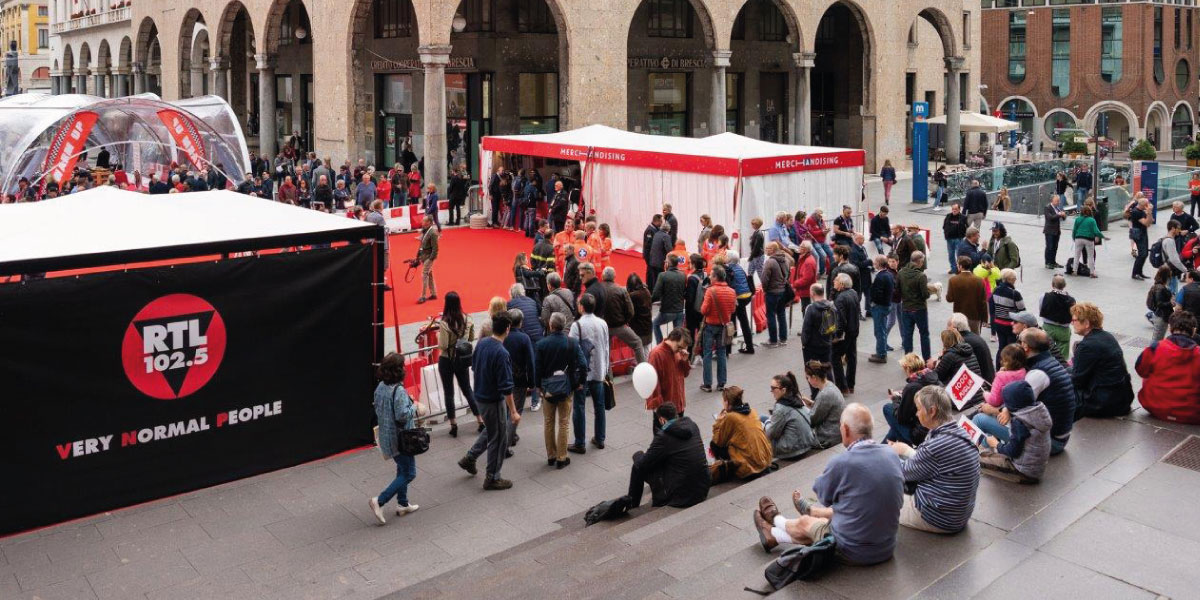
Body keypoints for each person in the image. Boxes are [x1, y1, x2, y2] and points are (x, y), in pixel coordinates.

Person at [752, 403, 903, 566]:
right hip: (886, 547)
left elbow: (824, 496)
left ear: (845, 429)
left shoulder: (842, 462)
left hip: (855, 550)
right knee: (840, 513)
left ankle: (776, 521)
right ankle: (774, 536)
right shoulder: (891, 453)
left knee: (806, 523)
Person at [886, 386, 979, 533]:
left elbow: (901, 473)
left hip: (938, 517)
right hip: (958, 513)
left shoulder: (935, 446)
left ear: (932, 411)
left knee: (878, 492)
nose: (916, 414)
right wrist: (905, 450)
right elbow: (931, 462)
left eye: (918, 409)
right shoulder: (959, 432)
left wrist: (888, 456)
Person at [457, 312, 521, 490]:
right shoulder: (501, 352)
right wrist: (514, 411)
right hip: (493, 400)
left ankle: (470, 457)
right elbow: (506, 387)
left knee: (493, 431)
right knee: (498, 438)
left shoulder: (482, 343)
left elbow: (475, 366)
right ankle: (492, 476)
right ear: (508, 329)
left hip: (481, 396)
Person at [369, 352, 422, 523]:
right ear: (398, 370)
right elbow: (402, 415)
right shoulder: (398, 390)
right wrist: (415, 407)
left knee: (402, 468)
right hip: (402, 439)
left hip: (386, 436)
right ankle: (380, 500)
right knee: (409, 473)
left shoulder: (380, 388)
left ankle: (402, 503)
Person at [625, 403, 710, 509]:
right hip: (702, 488)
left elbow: (643, 463)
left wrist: (638, 455)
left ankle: (632, 505)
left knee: (637, 464)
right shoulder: (692, 425)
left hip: (681, 496)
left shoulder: (663, 436)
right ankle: (632, 504)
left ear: (662, 420)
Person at [978, 375, 1053, 484]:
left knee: (977, 462)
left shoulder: (1020, 423)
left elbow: (1013, 451)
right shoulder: (1038, 411)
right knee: (987, 454)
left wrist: (996, 444)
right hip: (1035, 466)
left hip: (1023, 472)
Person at [535, 313, 585, 468]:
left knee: (548, 422)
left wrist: (538, 386)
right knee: (564, 422)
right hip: (566, 387)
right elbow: (583, 364)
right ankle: (562, 457)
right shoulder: (572, 342)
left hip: (548, 389)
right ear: (564, 325)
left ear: (550, 325)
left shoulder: (542, 344)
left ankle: (551, 455)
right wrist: (579, 383)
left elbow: (537, 368)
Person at [1070, 303, 1134, 419]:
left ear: (1086, 323)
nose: (1072, 323)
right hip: (1122, 398)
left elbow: (1077, 380)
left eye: (1074, 320)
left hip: (1102, 402)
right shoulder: (1107, 336)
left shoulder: (1087, 346)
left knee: (1057, 390)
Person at [1136, 311, 1200, 425]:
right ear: (1194, 331)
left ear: (1170, 328)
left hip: (1155, 406)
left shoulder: (1156, 348)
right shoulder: (1197, 353)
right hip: (1191, 413)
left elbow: (1141, 369)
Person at [567, 290, 610, 455]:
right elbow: (606, 347)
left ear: (582, 307)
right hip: (599, 369)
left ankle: (580, 442)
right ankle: (600, 438)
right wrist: (605, 368)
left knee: (579, 406)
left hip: (582, 373)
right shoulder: (602, 323)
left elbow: (571, 350)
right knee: (599, 406)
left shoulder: (576, 325)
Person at [438, 293, 482, 437]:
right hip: (462, 359)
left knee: (448, 392)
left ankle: (453, 424)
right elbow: (470, 337)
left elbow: (443, 345)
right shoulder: (468, 319)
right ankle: (480, 420)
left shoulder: (444, 323)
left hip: (447, 359)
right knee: (467, 389)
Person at [709, 387, 773, 483]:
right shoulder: (752, 411)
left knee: (714, 446)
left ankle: (727, 468)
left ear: (726, 402)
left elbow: (718, 441)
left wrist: (719, 420)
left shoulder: (731, 417)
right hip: (765, 460)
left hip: (751, 469)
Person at [972, 343, 1028, 439]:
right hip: (1015, 415)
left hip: (1008, 418)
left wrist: (985, 394)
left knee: (978, 417)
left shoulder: (1001, 376)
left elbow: (994, 400)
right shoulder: (1024, 372)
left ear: (1006, 361)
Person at [884, 353, 940, 445]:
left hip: (920, 434)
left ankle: (903, 447)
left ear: (908, 369)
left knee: (887, 408)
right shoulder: (933, 377)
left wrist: (895, 399)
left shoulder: (912, 387)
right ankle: (884, 446)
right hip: (935, 426)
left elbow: (901, 418)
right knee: (895, 428)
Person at [699, 266, 737, 392]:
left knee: (707, 354)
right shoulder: (732, 291)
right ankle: (721, 383)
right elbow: (732, 310)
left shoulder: (710, 291)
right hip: (724, 327)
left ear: (716, 277)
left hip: (710, 326)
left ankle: (707, 384)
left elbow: (704, 310)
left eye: (711, 275)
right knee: (721, 353)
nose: (709, 276)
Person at [764, 372, 818, 460]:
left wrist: (767, 422)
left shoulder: (781, 408)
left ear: (783, 390)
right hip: (807, 442)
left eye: (773, 388)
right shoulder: (796, 398)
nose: (771, 391)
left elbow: (771, 433)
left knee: (762, 422)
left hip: (792, 450)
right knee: (765, 418)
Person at [646, 327, 692, 427]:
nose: (681, 350)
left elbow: (685, 374)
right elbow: (653, 384)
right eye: (679, 347)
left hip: (678, 405)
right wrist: (660, 409)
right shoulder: (656, 354)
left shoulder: (678, 352)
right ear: (673, 339)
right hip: (665, 410)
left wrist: (684, 361)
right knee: (664, 440)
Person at [503, 309, 537, 444]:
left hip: (504, 377)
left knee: (506, 409)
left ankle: (509, 434)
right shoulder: (524, 338)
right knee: (516, 410)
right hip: (519, 378)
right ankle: (508, 438)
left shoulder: (503, 336)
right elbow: (530, 361)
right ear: (521, 322)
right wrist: (532, 381)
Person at [931, 328, 986, 405]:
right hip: (979, 393)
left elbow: (936, 376)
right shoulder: (969, 351)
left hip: (963, 399)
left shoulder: (950, 355)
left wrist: (938, 362)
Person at [802, 361, 845, 448]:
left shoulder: (825, 394)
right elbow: (823, 406)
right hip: (836, 431)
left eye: (807, 378)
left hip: (827, 437)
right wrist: (809, 402)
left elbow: (811, 420)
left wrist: (801, 406)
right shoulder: (830, 385)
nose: (808, 381)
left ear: (814, 378)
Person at [898, 251, 932, 360]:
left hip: (906, 308)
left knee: (908, 335)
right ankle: (927, 359)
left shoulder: (901, 272)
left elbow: (897, 290)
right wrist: (930, 290)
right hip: (919, 309)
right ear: (920, 261)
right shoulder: (921, 276)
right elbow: (925, 295)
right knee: (924, 334)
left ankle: (908, 360)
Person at [831, 273, 860, 393]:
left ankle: (842, 386)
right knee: (851, 356)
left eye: (836, 280)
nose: (834, 281)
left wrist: (837, 335)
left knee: (835, 356)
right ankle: (850, 384)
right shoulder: (853, 293)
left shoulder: (841, 299)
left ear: (841, 284)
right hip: (853, 331)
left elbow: (841, 320)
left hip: (845, 334)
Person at [800, 283, 836, 375]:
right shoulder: (831, 306)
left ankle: (816, 389)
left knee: (812, 372)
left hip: (812, 347)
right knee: (827, 371)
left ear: (812, 293)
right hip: (826, 344)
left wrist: (804, 343)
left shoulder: (811, 309)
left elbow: (806, 329)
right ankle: (829, 388)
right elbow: (832, 327)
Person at [946, 256, 988, 334]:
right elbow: (983, 301)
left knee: (959, 338)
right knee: (975, 338)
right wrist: (985, 318)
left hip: (959, 316)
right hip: (974, 316)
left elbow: (949, 299)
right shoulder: (979, 281)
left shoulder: (953, 280)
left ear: (961, 266)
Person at [1038, 274, 1075, 360]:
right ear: (1064, 285)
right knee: (1062, 354)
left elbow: (1041, 309)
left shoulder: (1044, 296)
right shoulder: (1071, 300)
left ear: (1052, 284)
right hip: (1063, 328)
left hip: (1048, 326)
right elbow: (1073, 313)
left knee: (1046, 348)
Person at [651, 255, 686, 344]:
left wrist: (649, 301)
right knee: (678, 335)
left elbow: (656, 294)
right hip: (679, 310)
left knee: (655, 324)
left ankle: (661, 345)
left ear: (667, 264)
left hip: (667, 310)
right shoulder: (683, 275)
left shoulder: (662, 275)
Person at [867, 255, 895, 364]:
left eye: (875, 262)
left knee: (879, 331)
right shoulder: (888, 274)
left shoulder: (880, 277)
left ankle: (881, 355)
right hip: (886, 305)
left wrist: (873, 302)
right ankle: (880, 351)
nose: (874, 263)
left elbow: (877, 293)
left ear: (879, 263)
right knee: (880, 330)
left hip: (880, 307)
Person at [626, 273, 654, 352]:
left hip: (638, 329)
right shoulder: (646, 291)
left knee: (639, 353)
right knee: (645, 351)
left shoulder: (633, 296)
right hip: (647, 327)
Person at [1147, 266, 1175, 341]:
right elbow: (1159, 303)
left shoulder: (1160, 286)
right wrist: (1170, 303)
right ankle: (1152, 352)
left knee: (1158, 338)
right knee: (1157, 339)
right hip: (1161, 317)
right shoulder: (1160, 288)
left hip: (1161, 316)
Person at [1129, 196, 1153, 280]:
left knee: (1145, 253)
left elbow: (1149, 223)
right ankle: (1135, 273)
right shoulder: (1136, 212)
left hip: (1143, 233)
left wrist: (1149, 213)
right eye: (1147, 204)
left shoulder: (1142, 211)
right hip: (1138, 234)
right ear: (1144, 205)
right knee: (1142, 254)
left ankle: (1139, 272)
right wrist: (1149, 213)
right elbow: (1146, 223)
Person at [791, 241, 818, 312]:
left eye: (801, 247)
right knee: (805, 308)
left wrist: (795, 284)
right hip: (805, 289)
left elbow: (806, 279)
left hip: (806, 290)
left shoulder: (808, 261)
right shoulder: (804, 258)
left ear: (805, 249)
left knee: (806, 309)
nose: (799, 248)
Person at [646, 217, 671, 290]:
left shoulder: (656, 234)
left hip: (652, 261)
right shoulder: (666, 236)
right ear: (668, 229)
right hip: (660, 263)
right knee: (660, 281)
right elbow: (669, 250)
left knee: (654, 280)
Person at [942, 203, 968, 274]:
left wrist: (964, 234)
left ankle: (960, 269)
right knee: (951, 255)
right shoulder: (948, 216)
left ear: (959, 209)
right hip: (949, 239)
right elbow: (944, 226)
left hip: (958, 239)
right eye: (953, 209)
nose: (954, 210)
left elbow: (967, 227)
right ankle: (953, 269)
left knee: (959, 255)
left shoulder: (963, 217)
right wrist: (946, 233)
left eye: (956, 209)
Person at [1043, 194, 1067, 269]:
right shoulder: (1047, 208)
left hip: (1056, 231)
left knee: (1055, 247)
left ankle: (1053, 262)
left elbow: (1063, 218)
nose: (1058, 202)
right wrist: (1059, 214)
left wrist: (1063, 215)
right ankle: (1048, 263)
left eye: (1058, 201)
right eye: (1057, 201)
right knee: (1049, 247)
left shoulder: (1058, 208)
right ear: (1052, 201)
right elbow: (1050, 218)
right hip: (1049, 231)